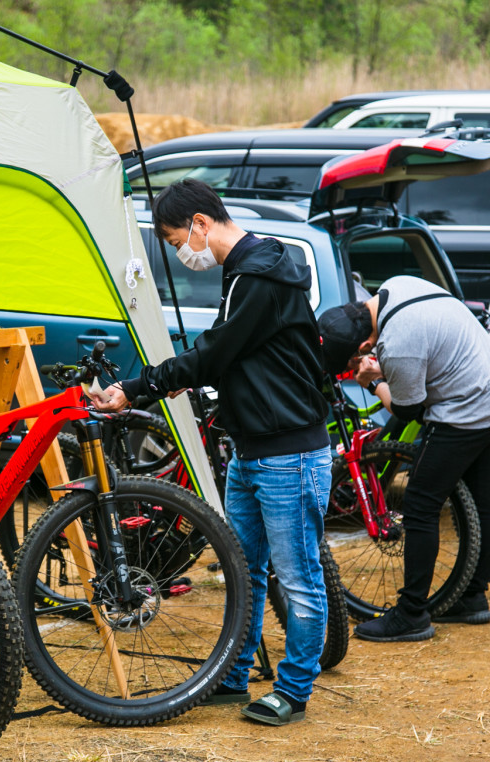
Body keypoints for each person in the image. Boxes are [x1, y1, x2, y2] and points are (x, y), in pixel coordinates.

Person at [92, 178, 332, 727]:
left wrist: (139, 386)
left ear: (202, 223)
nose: (182, 253)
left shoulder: (259, 277)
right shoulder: (245, 274)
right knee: (243, 568)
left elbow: (216, 350)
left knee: (298, 576)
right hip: (250, 450)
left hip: (288, 453)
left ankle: (293, 691)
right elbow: (231, 358)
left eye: (179, 240)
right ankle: (232, 674)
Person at [317, 274, 490, 642]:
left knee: (420, 503)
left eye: (353, 357)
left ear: (365, 344)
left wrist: (371, 382)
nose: (355, 361)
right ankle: (472, 597)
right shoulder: (397, 286)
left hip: (467, 414)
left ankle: (411, 614)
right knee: (483, 498)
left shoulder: (396, 344)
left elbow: (409, 410)